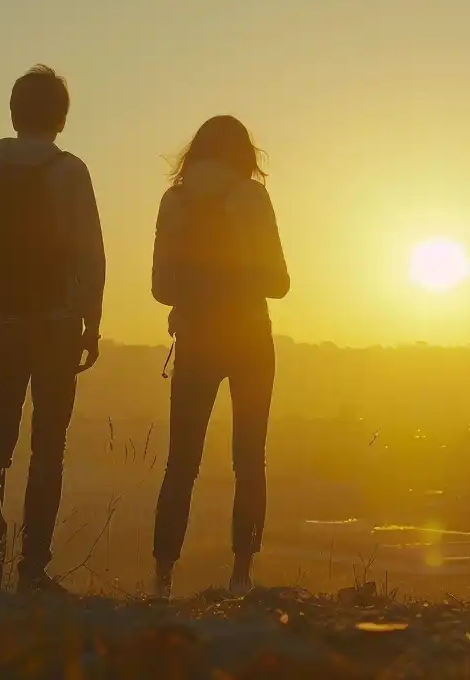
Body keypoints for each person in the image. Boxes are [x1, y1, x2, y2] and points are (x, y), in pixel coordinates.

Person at [0, 64, 105, 592]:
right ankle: (33, 568)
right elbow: (90, 252)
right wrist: (92, 319)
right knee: (48, 448)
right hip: (58, 325)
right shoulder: (70, 171)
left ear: (14, 112)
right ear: (60, 117)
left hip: (0, 326)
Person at [150, 115, 289, 599]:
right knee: (250, 458)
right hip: (250, 337)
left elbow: (160, 287)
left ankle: (163, 577)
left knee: (180, 462)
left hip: (195, 339)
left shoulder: (176, 200)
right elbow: (280, 283)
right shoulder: (251, 197)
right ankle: (241, 575)